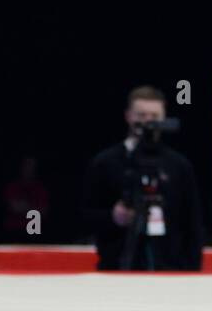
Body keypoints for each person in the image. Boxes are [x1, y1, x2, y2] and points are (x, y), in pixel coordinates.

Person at [84, 86, 204, 271]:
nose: (148, 122)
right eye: (141, 115)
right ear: (128, 116)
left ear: (164, 118)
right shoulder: (106, 162)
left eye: (154, 116)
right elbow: (85, 214)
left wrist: (193, 272)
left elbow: (192, 224)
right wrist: (113, 217)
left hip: (169, 270)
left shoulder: (179, 166)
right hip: (117, 266)